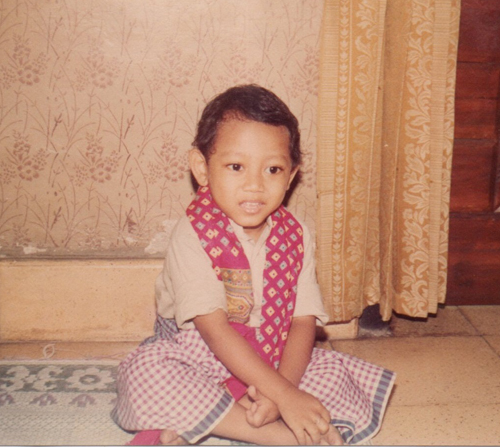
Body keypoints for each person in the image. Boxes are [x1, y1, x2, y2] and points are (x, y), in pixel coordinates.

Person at [111, 84, 396, 446]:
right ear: (202, 168)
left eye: (273, 169)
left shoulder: (297, 235)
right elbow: (215, 332)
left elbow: (302, 322)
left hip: (272, 354)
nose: (255, 185)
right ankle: (275, 436)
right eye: (236, 167)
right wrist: (285, 398)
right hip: (201, 351)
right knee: (145, 373)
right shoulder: (193, 234)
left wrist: (283, 391)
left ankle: (207, 417)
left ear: (291, 176)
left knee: (336, 377)